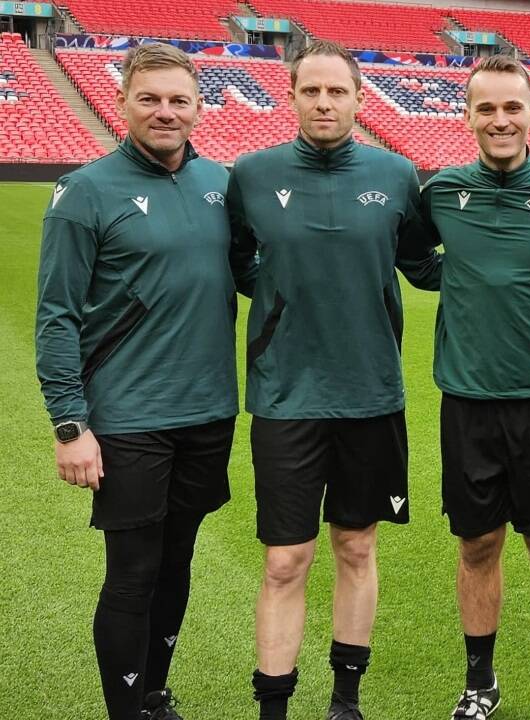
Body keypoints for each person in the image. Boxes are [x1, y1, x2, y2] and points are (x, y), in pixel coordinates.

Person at [35, 43, 243, 720]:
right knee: (132, 572)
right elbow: (57, 316)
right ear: (121, 101)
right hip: (127, 419)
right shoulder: (86, 192)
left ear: (199, 108)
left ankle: (153, 695)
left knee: (176, 562)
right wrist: (71, 424)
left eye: (178, 99)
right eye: (149, 98)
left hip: (209, 412)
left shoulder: (220, 183)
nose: (164, 111)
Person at [225, 40, 433, 720]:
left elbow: (418, 260)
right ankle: (274, 707)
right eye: (310, 91)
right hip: (287, 395)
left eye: (335, 92)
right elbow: (234, 260)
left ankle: (346, 701)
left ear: (357, 99)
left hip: (370, 393)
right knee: (286, 559)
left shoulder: (398, 174)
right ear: (291, 97)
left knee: (357, 544)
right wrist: (279, 302)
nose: (323, 102)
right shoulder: (252, 174)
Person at [415, 55, 530, 720]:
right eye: (485, 107)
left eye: (511, 107)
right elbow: (414, 255)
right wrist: (461, 288)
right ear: (467, 116)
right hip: (467, 401)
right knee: (478, 542)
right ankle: (480, 683)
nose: (499, 119)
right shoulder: (441, 192)